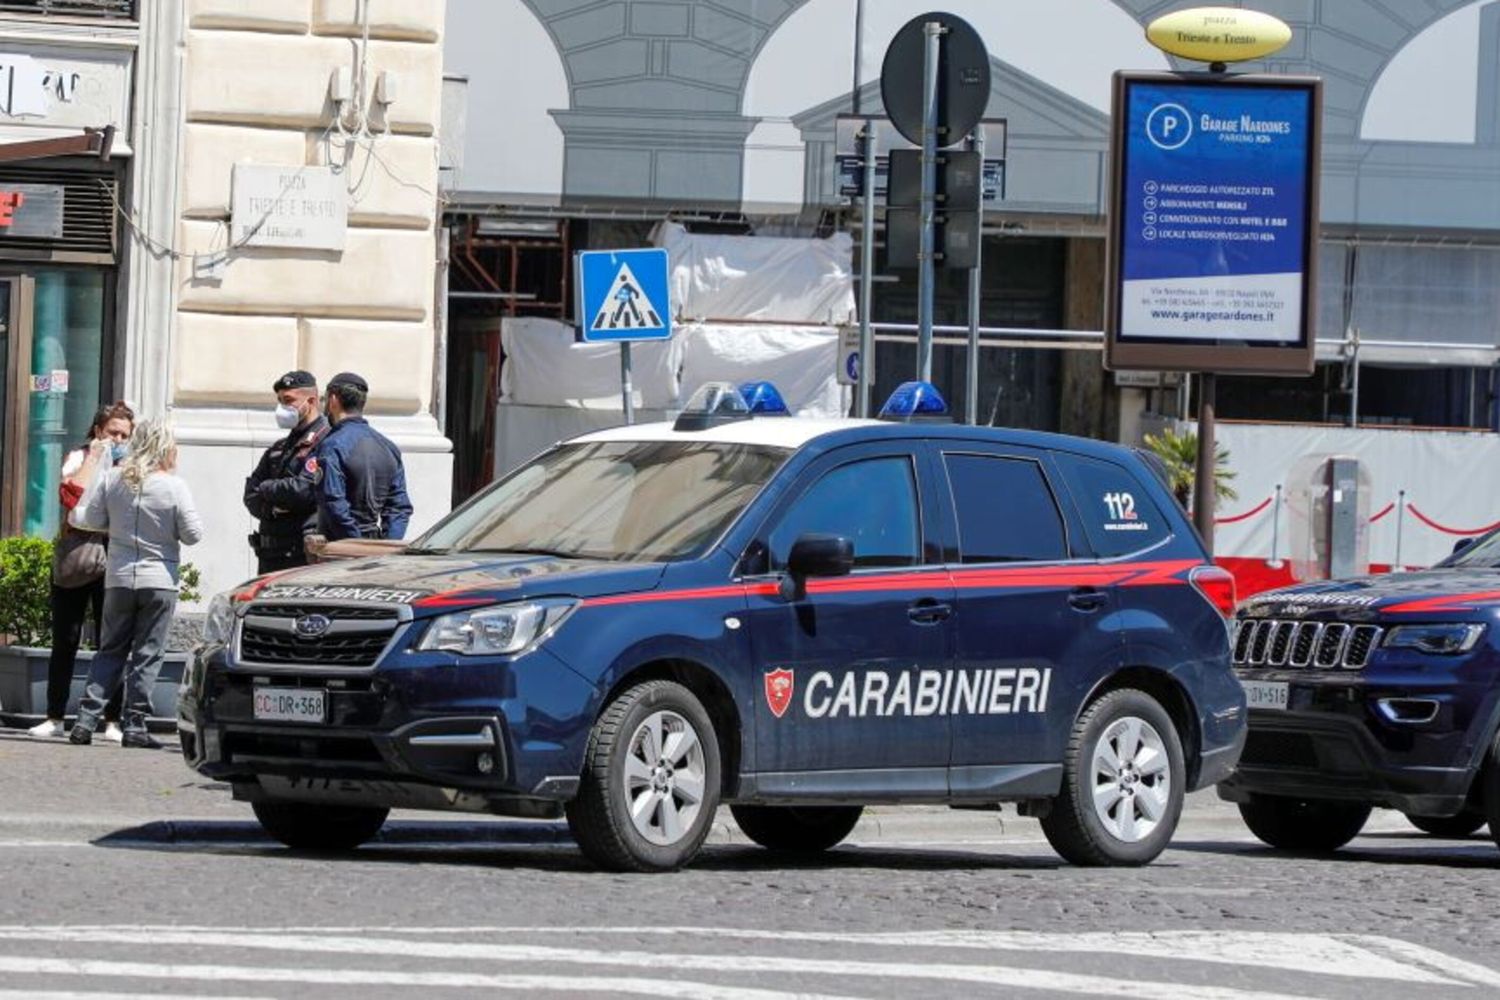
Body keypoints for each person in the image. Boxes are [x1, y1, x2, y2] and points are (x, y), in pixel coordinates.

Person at [68, 418, 203, 749]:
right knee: (148, 652)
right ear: (164, 447)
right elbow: (193, 534)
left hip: (118, 576)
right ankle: (135, 724)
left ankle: (85, 721)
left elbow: (92, 519)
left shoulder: (114, 479)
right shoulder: (174, 486)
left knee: (110, 649)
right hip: (159, 578)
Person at [27, 402, 134, 742]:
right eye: (112, 432)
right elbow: (70, 497)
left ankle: (112, 720)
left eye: (124, 435)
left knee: (112, 641)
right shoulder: (79, 456)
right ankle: (55, 715)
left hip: (115, 554)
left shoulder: (130, 465)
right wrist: (94, 458)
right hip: (78, 553)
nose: (117, 439)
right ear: (98, 430)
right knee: (66, 637)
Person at [243, 370, 330, 573]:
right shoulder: (279, 448)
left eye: (289, 400)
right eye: (280, 400)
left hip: (301, 555)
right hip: (270, 554)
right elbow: (250, 494)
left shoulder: (326, 442)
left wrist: (266, 488)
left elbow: (303, 490)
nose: (283, 407)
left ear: (312, 400)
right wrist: (273, 509)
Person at [312, 372, 413, 542]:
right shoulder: (388, 447)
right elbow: (399, 508)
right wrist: (385, 546)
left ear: (334, 400)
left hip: (337, 550)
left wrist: (356, 544)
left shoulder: (331, 446)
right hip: (373, 548)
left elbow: (333, 502)